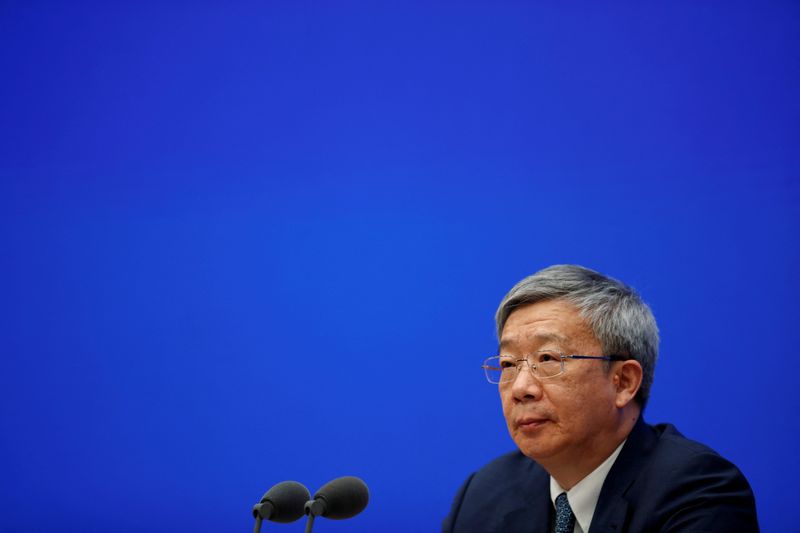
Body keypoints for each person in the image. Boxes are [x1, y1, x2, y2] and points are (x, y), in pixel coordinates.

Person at [443, 265, 758, 533]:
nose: (520, 388)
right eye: (509, 364)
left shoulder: (699, 493)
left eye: (549, 359)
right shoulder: (483, 494)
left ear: (623, 382)